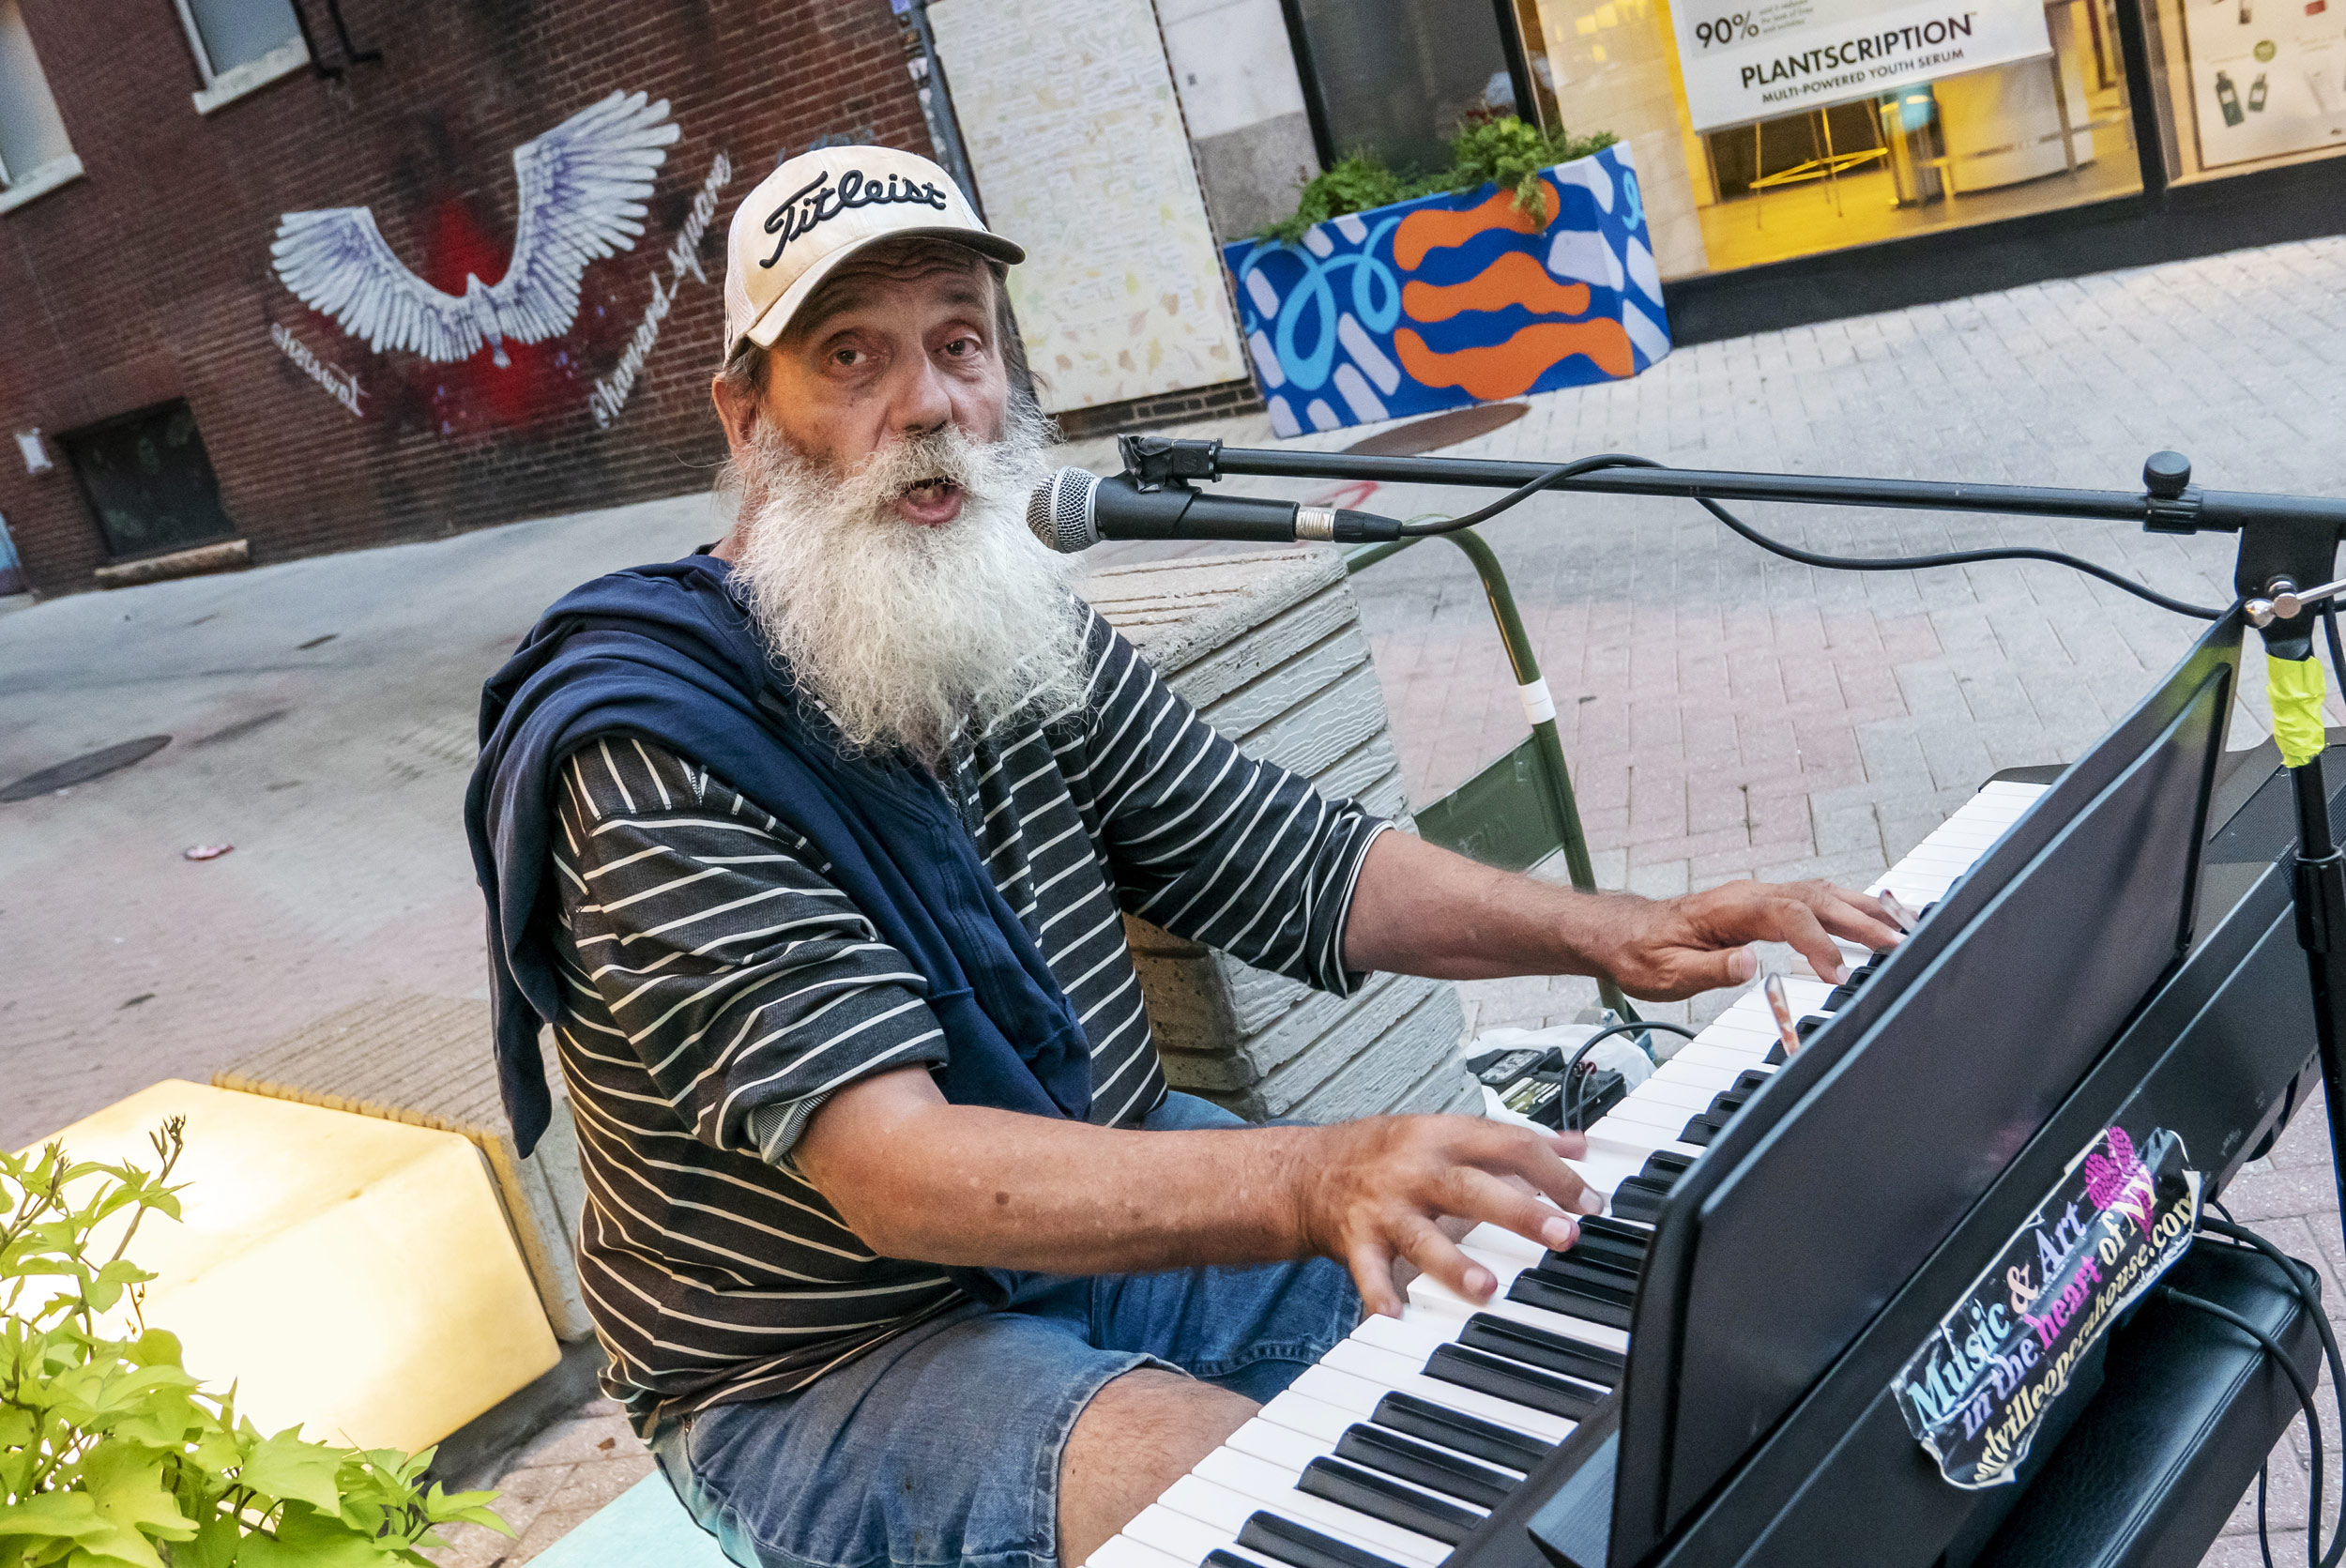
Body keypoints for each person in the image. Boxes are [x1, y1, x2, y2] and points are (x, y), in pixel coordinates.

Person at [465, 146, 1900, 1568]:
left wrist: (1614, 933)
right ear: (746, 415)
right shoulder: (650, 745)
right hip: (829, 1358)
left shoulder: (1011, 625)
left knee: (1569, 1287)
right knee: (1245, 1509)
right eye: (852, 356)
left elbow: (1301, 861)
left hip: (1099, 1187)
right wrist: (1316, 1175)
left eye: (960, 344)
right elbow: (895, 1170)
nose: (930, 408)